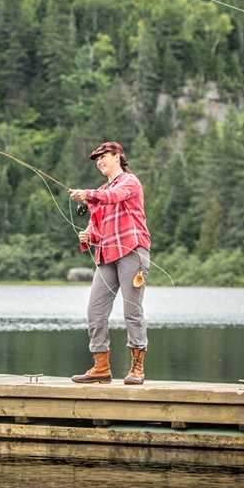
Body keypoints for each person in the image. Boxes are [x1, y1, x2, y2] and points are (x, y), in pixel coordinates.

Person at [68, 140, 151, 385]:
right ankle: (101, 368)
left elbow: (114, 196)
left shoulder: (129, 181)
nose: (99, 162)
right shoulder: (101, 193)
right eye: (96, 160)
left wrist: (88, 194)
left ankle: (137, 368)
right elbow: (97, 228)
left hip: (131, 251)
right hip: (106, 255)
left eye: (103, 157)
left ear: (117, 155)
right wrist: (88, 236)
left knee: (132, 311)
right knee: (95, 311)